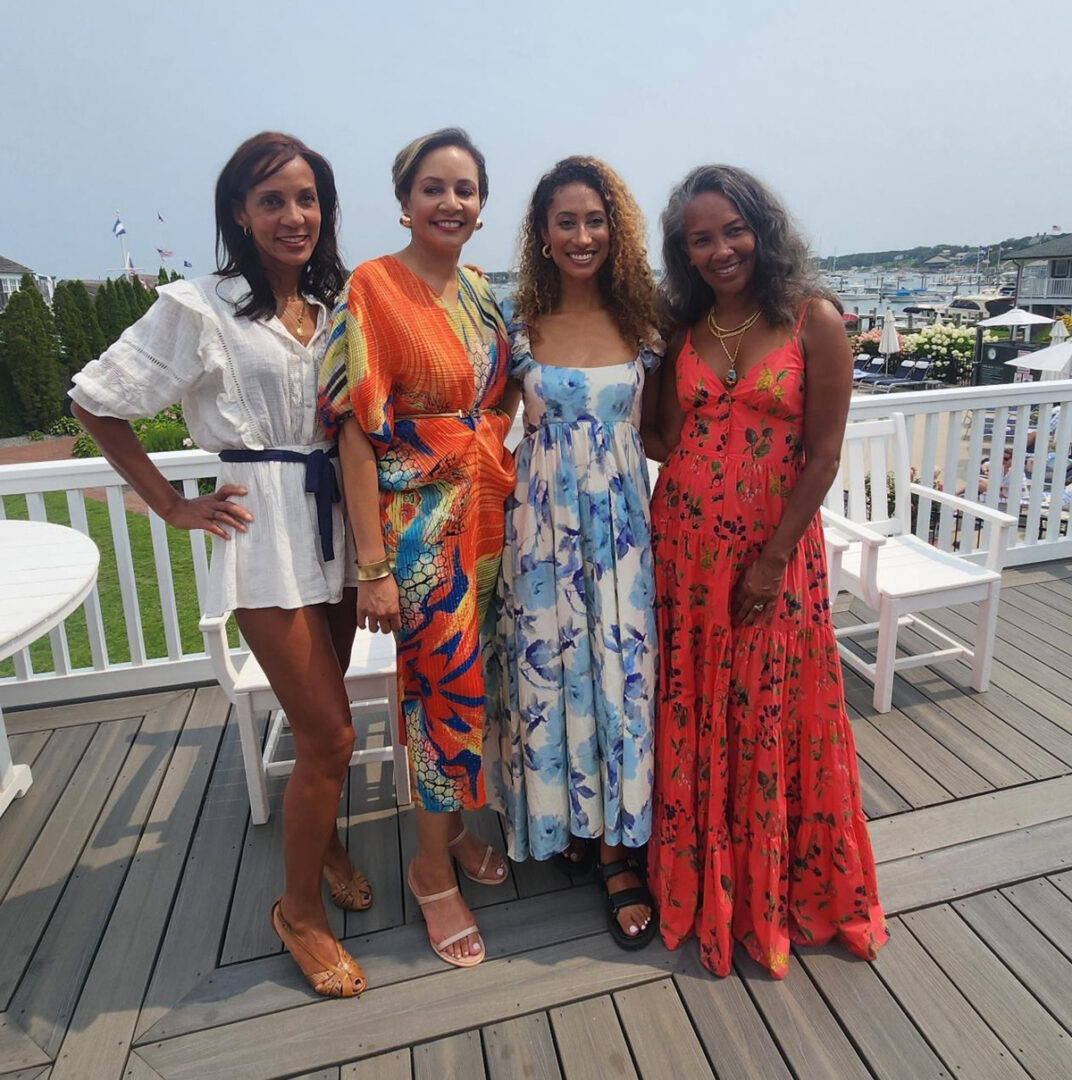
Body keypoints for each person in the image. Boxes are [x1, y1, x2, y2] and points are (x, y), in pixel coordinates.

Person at [70, 133, 369, 997]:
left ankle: (329, 839)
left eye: (307, 198)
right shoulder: (199, 307)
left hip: (339, 529)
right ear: (239, 211)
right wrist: (172, 504)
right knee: (330, 733)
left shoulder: (335, 304)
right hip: (263, 536)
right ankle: (297, 913)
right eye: (271, 199)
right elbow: (97, 401)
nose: (293, 215)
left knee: (329, 727)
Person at [643, 164, 888, 978]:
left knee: (773, 710)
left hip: (771, 557)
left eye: (733, 230)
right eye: (701, 239)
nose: (720, 250)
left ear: (763, 229)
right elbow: (660, 440)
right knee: (702, 706)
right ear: (685, 252)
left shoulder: (812, 319)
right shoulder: (687, 331)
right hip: (685, 549)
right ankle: (708, 885)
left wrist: (772, 557)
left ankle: (774, 892)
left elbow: (821, 457)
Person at [318, 128, 514, 968]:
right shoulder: (373, 287)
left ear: (480, 205)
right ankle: (431, 869)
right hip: (421, 535)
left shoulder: (478, 287)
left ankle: (459, 828)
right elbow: (355, 435)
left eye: (465, 189)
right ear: (405, 201)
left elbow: (503, 389)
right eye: (433, 188)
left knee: (478, 688)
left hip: (493, 516)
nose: (450, 202)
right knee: (443, 704)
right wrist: (371, 566)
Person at [485, 156, 661, 950]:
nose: (582, 234)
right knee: (555, 674)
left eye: (595, 220)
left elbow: (671, 430)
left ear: (614, 229)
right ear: (543, 235)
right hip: (540, 530)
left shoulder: (647, 325)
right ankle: (571, 827)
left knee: (621, 675)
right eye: (566, 221)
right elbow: (478, 428)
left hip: (622, 529)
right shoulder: (515, 328)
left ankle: (622, 851)